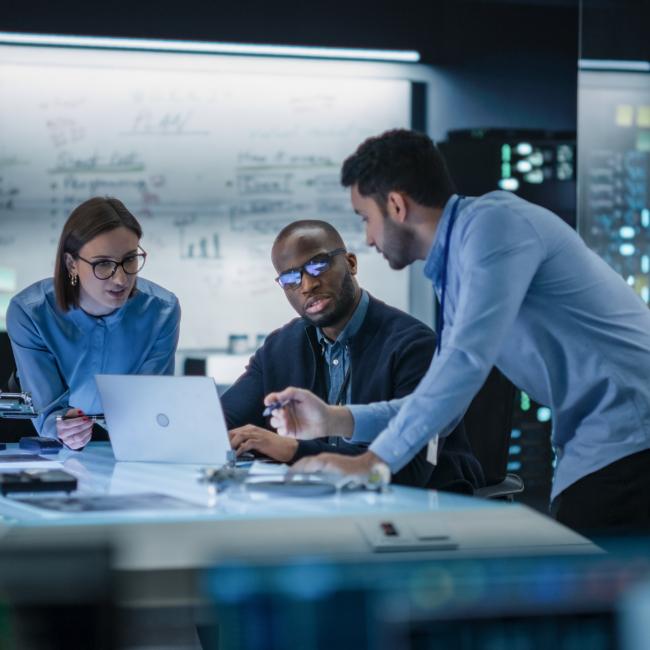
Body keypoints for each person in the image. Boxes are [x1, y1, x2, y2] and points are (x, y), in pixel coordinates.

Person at [266, 129, 650, 535]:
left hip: (632, 439)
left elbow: (464, 363)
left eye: (366, 219)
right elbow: (440, 407)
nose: (367, 238)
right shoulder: (454, 267)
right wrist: (334, 419)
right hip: (601, 445)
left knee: (597, 590)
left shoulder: (494, 226)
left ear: (396, 205)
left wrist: (371, 463)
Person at [223, 219, 483, 490]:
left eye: (318, 265)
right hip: (324, 505)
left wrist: (291, 449)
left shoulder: (414, 345)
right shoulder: (280, 347)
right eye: (290, 278)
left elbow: (411, 471)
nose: (307, 285)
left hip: (418, 506)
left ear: (351, 263)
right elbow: (222, 421)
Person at [7, 197, 181, 450]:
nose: (121, 278)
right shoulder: (30, 312)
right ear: (71, 264)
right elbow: (48, 412)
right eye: (103, 264)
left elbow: (149, 403)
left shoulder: (162, 311)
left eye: (130, 259)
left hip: (122, 433)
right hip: (37, 431)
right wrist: (62, 425)